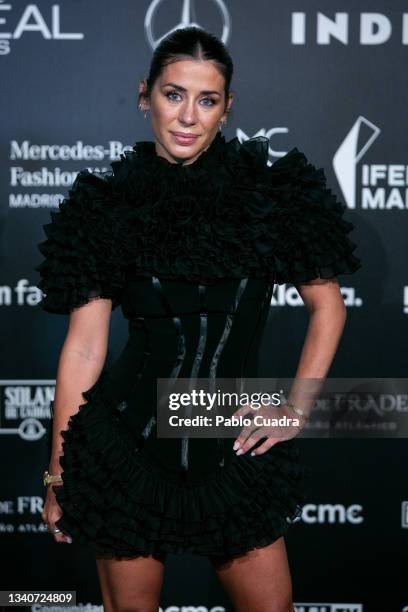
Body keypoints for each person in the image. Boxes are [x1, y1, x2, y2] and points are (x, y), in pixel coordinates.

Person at [37, 26, 362, 612]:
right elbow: (85, 349)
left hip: (233, 445)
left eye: (207, 100)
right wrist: (59, 471)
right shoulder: (104, 207)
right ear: (145, 96)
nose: (188, 116)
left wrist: (296, 407)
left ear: (227, 107)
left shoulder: (272, 194)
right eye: (173, 94)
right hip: (125, 447)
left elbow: (328, 306)